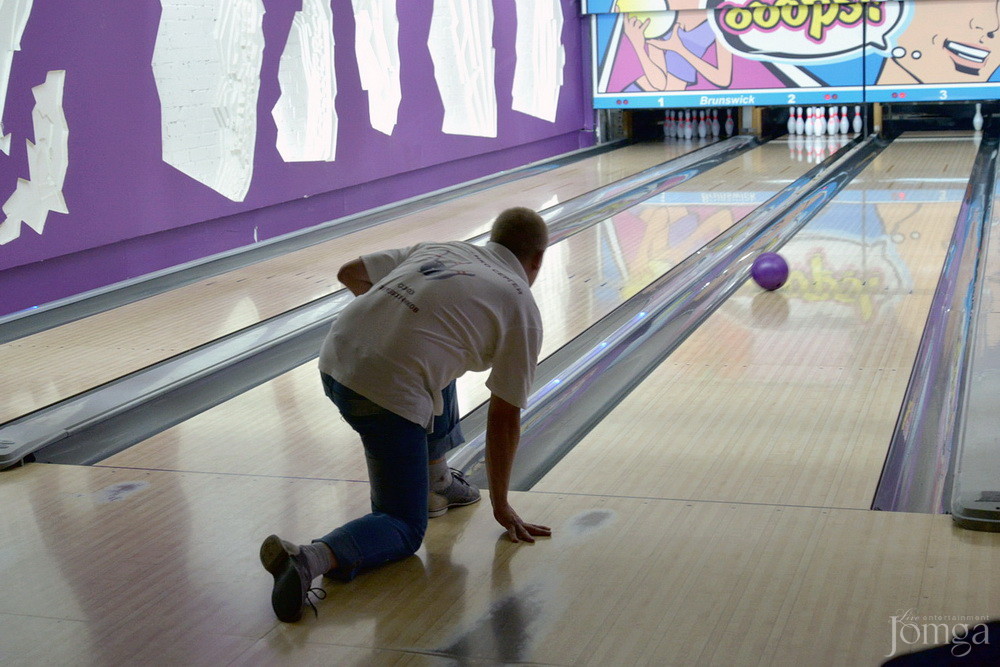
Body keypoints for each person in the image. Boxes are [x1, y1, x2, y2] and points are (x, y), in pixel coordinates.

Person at [260, 207, 553, 622]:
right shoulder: (520, 305)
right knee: (403, 525)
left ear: (493, 237)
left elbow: (350, 273)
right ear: (537, 259)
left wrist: (395, 328)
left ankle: (436, 478)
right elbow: (504, 416)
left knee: (442, 353)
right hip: (385, 396)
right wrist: (502, 506)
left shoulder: (444, 249)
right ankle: (309, 559)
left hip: (334, 358)